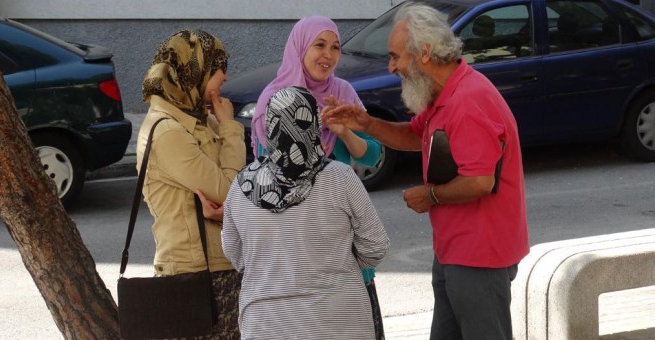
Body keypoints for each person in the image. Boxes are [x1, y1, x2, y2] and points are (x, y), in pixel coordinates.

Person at [322, 3, 530, 340]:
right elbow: (416, 136)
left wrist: (429, 195)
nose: (391, 67)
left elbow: (479, 181)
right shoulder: (445, 93)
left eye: (395, 57)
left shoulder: (467, 100)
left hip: (480, 254)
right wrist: (365, 123)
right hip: (456, 250)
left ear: (424, 53)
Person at [249, 15, 386, 338]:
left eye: (335, 47)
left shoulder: (343, 91)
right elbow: (267, 169)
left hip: (341, 236)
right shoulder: (275, 99)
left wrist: (343, 132)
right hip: (297, 245)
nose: (328, 55)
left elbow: (373, 156)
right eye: (320, 45)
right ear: (300, 47)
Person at [222, 85, 389, 339]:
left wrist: (273, 269)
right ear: (312, 123)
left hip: (266, 325)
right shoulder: (339, 177)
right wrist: (340, 265)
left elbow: (236, 255)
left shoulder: (242, 186)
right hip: (338, 322)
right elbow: (376, 246)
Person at [137, 29, 246, 338]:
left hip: (220, 267)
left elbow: (239, 191)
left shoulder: (199, 118)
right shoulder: (167, 131)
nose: (224, 77)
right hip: (195, 274)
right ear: (191, 71)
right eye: (217, 67)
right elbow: (231, 192)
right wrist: (230, 130)